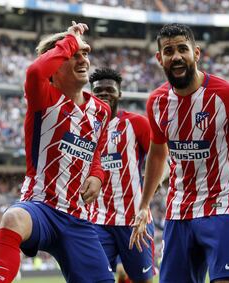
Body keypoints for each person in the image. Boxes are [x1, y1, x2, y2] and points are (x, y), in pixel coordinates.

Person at [129, 23, 229, 283]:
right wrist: (143, 206)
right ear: (159, 58)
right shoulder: (157, 102)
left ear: (196, 53)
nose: (176, 56)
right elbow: (156, 154)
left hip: (223, 207)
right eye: (168, 50)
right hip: (178, 212)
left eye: (182, 49)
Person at [0, 22, 114, 283]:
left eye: (84, 54)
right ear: (54, 67)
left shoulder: (101, 111)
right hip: (41, 205)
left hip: (78, 218)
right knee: (13, 218)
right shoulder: (44, 96)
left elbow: (96, 153)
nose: (82, 60)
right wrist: (70, 40)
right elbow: (34, 72)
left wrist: (98, 176)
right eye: (73, 55)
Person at [89, 68, 155, 283]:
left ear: (120, 94)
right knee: (95, 277)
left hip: (133, 219)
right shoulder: (83, 128)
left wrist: (149, 194)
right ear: (90, 93)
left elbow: (160, 158)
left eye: (110, 89)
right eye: (98, 90)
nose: (104, 94)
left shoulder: (136, 123)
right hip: (97, 220)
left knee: (142, 279)